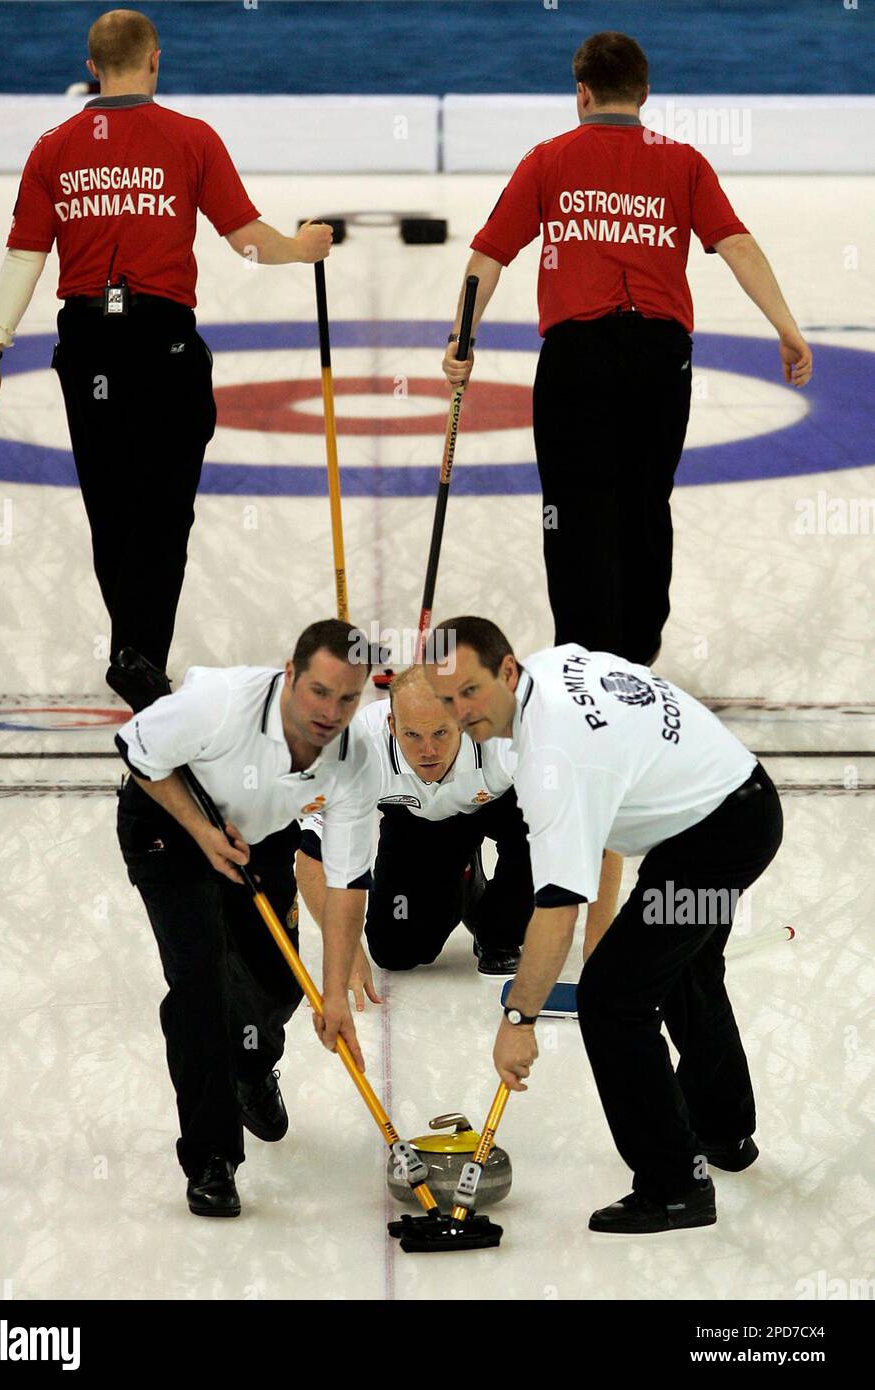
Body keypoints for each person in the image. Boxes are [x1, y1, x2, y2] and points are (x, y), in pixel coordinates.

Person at [0, 8, 332, 692]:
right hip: (161, 342)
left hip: (88, 343)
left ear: (90, 68)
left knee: (112, 505)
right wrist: (300, 248)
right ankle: (140, 657)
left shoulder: (53, 147)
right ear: (155, 59)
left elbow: (25, 254)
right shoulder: (190, 138)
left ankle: (132, 653)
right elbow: (245, 239)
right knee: (163, 510)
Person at [441, 30, 813, 666]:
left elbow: (488, 257)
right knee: (646, 505)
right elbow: (738, 245)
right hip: (660, 359)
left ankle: (582, 661)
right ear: (644, 93)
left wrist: (462, 340)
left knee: (571, 507)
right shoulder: (684, 161)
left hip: (577, 359)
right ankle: (638, 661)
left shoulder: (547, 159)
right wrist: (786, 326)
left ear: (581, 92)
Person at [425, 616, 783, 1235]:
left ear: (507, 670)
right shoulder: (547, 666)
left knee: (614, 997)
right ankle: (723, 1132)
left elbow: (558, 910)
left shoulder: (553, 758)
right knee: (683, 966)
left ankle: (675, 1187)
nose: (459, 712)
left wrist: (519, 1020)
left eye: (471, 692)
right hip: (730, 800)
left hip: (721, 832)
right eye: (447, 697)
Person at [114, 619, 381, 1217]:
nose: (331, 711)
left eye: (347, 698)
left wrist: (333, 993)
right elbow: (137, 751)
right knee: (201, 984)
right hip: (168, 825)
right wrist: (202, 833)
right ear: (290, 675)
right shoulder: (218, 703)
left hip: (259, 834)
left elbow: (345, 881)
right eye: (319, 691)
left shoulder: (354, 758)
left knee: (277, 979)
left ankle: (250, 1067)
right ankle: (212, 1157)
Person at [297, 666, 536, 980]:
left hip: (496, 804)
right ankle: (463, 878)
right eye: (413, 735)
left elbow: (581, 821)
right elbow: (311, 858)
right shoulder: (356, 749)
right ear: (392, 725)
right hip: (415, 822)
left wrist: (595, 938)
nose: (428, 751)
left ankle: (498, 929)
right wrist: (344, 949)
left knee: (539, 835)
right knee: (395, 950)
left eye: (440, 732)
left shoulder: (507, 733)